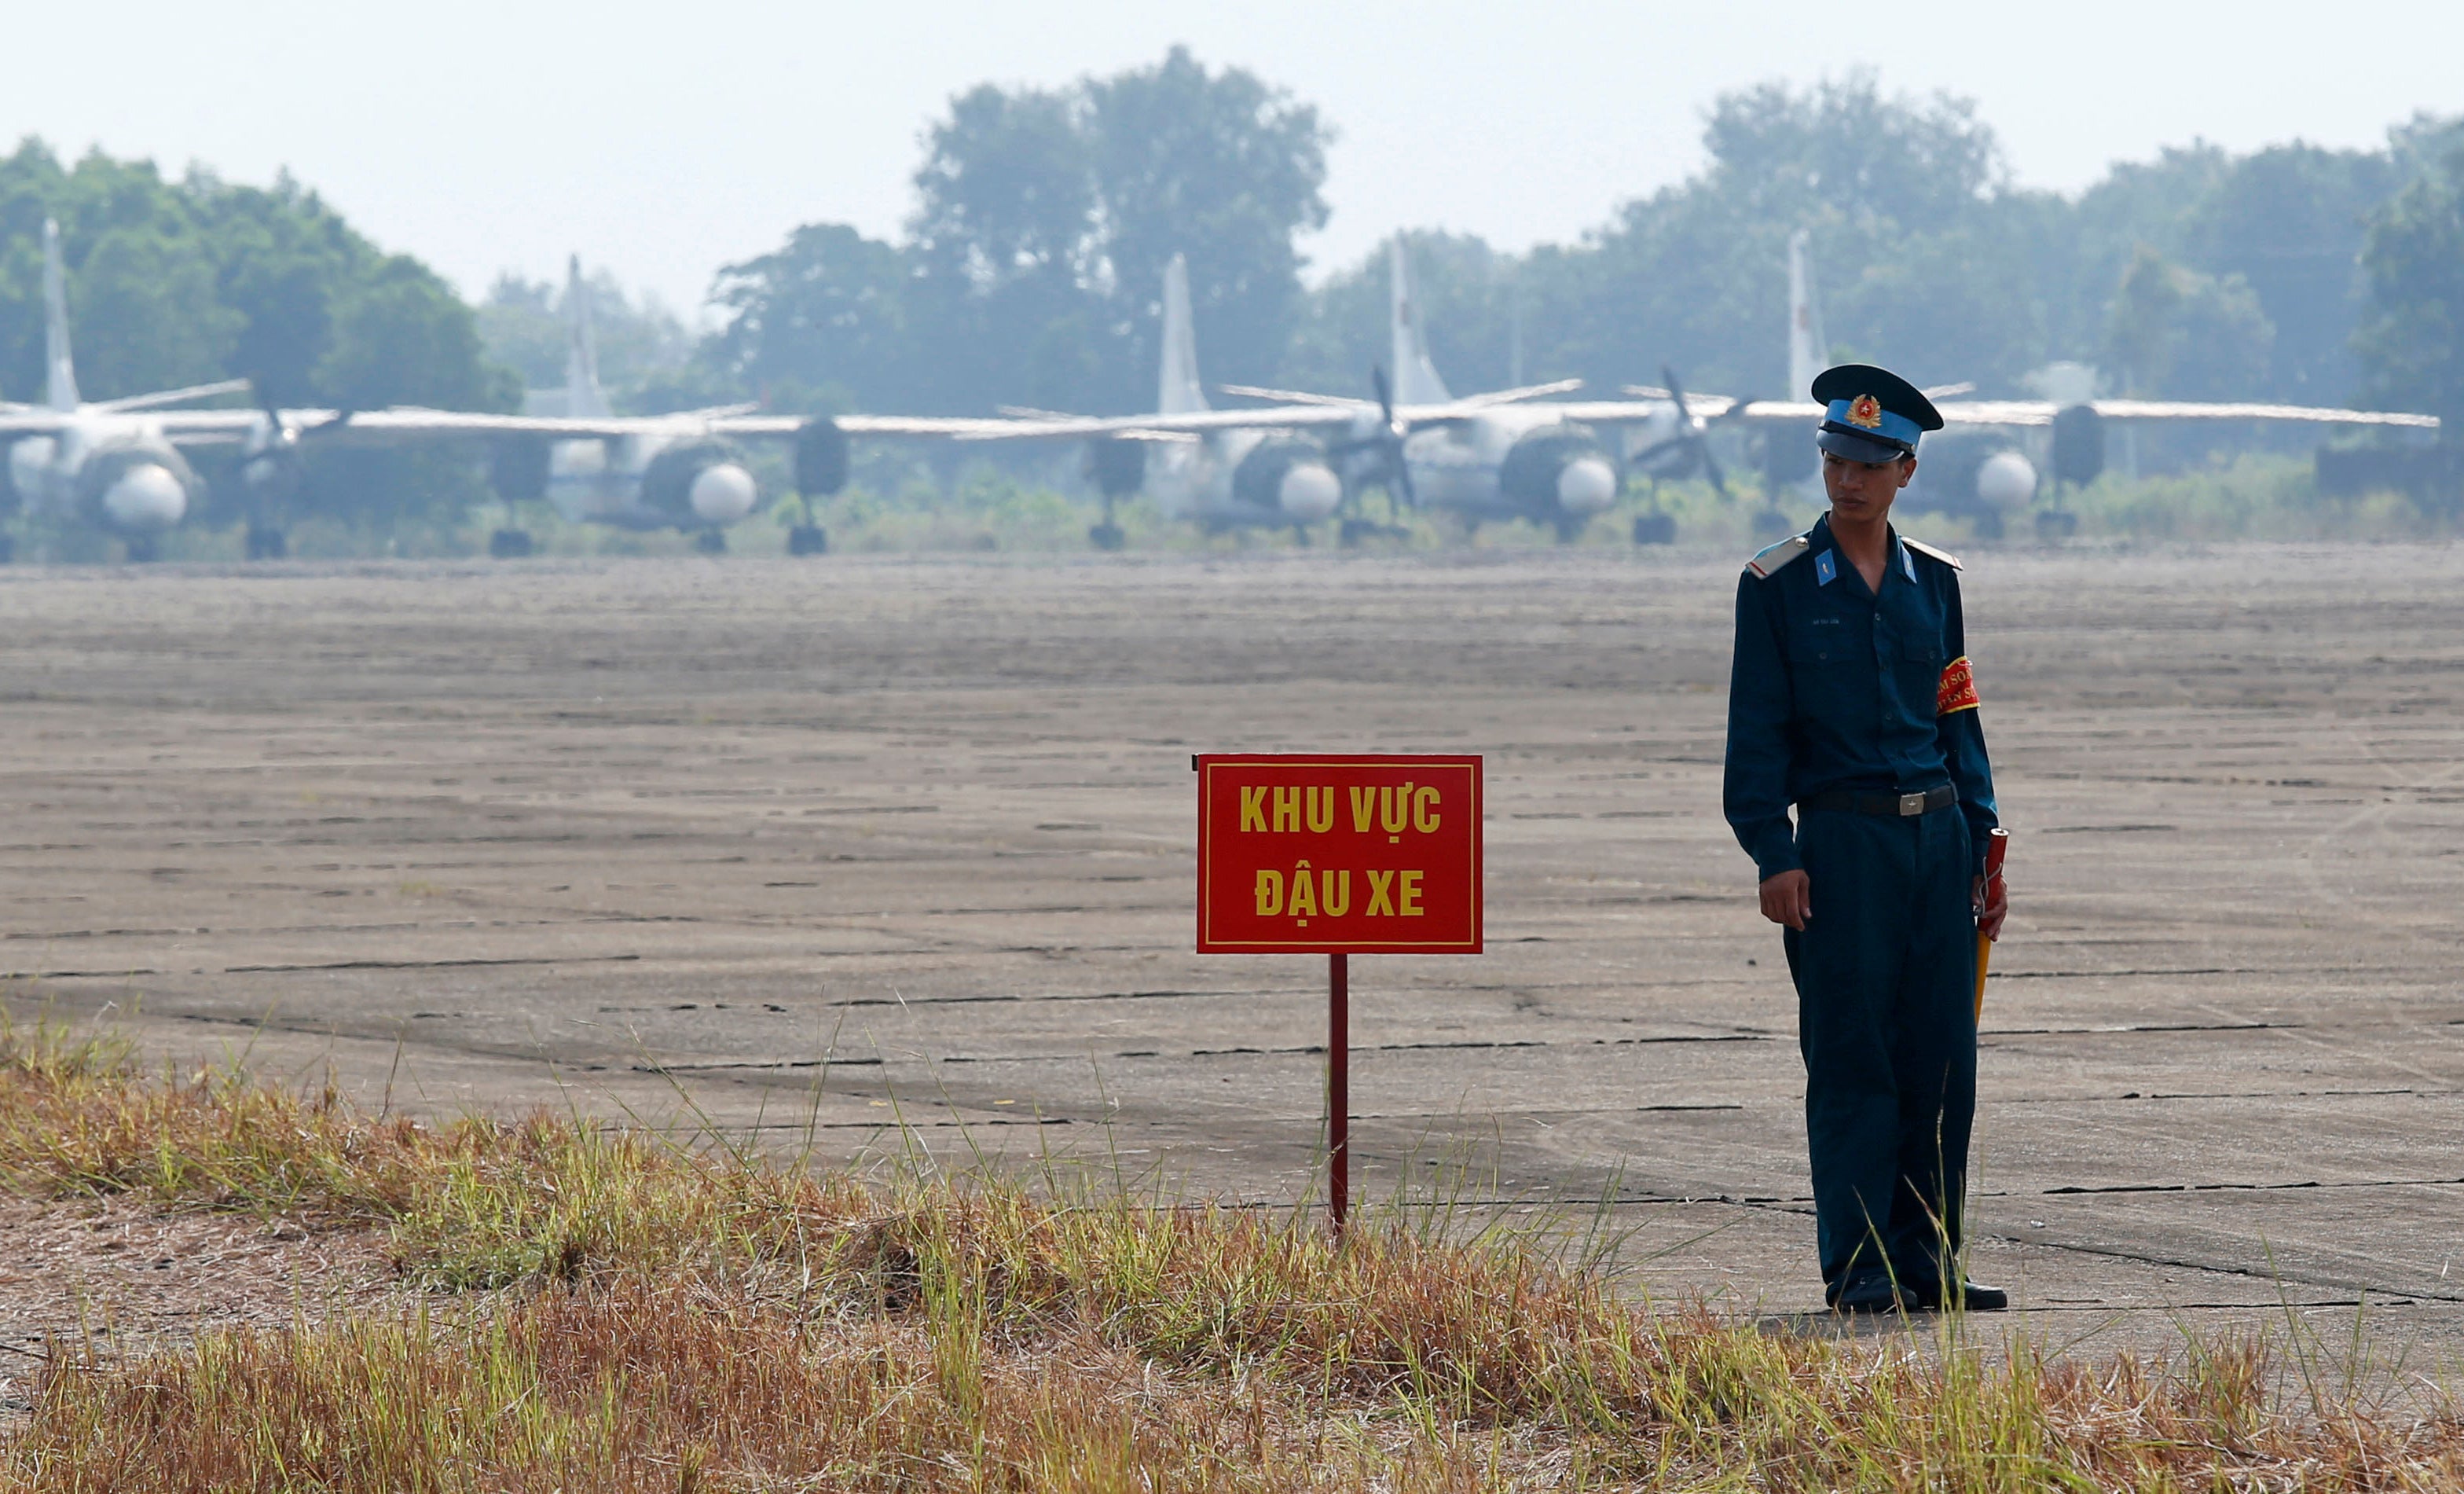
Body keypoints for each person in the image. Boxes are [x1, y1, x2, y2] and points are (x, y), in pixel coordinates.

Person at [1722, 363, 2011, 1314]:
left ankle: (1929, 1262)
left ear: (1905, 472)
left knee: (1941, 1062)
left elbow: (1957, 715)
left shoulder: (1936, 582)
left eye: (1869, 463)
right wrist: (1773, 852)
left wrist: (1984, 843)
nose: (1847, 478)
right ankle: (1859, 1267)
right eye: (1835, 458)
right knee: (1853, 1060)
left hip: (1937, 843)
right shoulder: (1774, 583)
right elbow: (1755, 732)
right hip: (1841, 848)